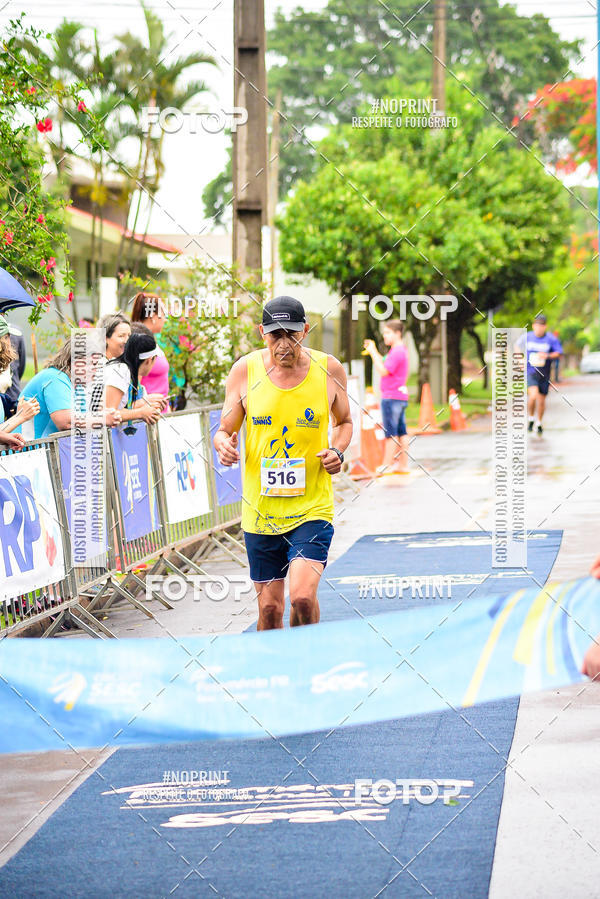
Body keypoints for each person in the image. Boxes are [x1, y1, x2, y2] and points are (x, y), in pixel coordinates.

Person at [214, 295, 352, 631]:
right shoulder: (245, 371)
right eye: (276, 335)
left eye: (291, 334)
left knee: (302, 597)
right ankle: (274, 661)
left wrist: (337, 451)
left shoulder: (329, 369)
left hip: (312, 508)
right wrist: (223, 445)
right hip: (262, 512)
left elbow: (345, 422)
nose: (284, 344)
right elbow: (224, 430)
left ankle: (305, 655)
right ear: (262, 332)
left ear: (305, 330)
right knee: (270, 609)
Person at [19, 339, 121, 438]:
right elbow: (65, 422)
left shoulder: (77, 385)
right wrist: (102, 418)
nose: (96, 369)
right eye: (93, 364)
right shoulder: (54, 377)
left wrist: (106, 415)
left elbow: (83, 419)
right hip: (26, 446)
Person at [363, 320, 409, 474]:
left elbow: (383, 370)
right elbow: (384, 363)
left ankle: (387, 465)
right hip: (399, 396)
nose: (385, 336)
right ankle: (403, 465)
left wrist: (372, 352)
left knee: (391, 433)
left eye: (388, 333)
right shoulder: (399, 350)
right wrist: (374, 351)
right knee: (402, 432)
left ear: (398, 333)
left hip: (391, 397)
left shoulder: (397, 352)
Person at [104, 330, 167, 424]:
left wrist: (146, 402)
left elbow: (121, 407)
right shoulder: (121, 371)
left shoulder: (129, 372)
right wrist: (141, 413)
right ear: (149, 360)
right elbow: (108, 414)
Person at [525, 314, 562, 435]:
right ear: (533, 326)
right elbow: (517, 347)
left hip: (544, 374)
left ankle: (539, 423)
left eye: (541, 325)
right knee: (533, 396)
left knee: (541, 401)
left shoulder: (551, 339)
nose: (539, 328)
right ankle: (531, 418)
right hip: (531, 371)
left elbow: (558, 353)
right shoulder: (527, 337)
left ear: (545, 326)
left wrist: (547, 355)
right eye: (537, 325)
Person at [130, 291, 170, 399]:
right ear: (153, 317)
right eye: (163, 314)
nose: (165, 320)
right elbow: (133, 390)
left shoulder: (150, 340)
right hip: (146, 408)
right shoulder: (140, 343)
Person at [0, 322, 26, 420]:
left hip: (12, 398)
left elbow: (21, 366)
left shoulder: (7, 363)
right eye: (6, 338)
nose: (9, 343)